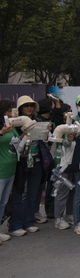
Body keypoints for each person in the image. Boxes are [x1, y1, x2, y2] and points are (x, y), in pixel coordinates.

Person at [8, 96, 44, 237]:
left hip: (36, 160)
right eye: (26, 105)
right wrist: (23, 133)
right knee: (18, 194)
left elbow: (44, 141)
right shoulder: (14, 123)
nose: (29, 108)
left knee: (32, 194)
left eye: (31, 105)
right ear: (20, 108)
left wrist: (45, 132)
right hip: (21, 161)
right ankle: (16, 224)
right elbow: (13, 145)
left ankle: (29, 222)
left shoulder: (38, 120)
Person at [0, 100, 18, 243]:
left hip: (10, 170)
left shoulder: (12, 126)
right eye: (11, 109)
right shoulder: (3, 127)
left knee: (3, 202)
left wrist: (23, 135)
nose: (13, 112)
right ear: (5, 111)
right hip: (1, 171)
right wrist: (1, 132)